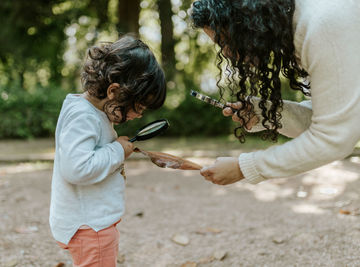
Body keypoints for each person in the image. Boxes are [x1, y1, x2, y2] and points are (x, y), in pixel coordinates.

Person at [190, 0, 360, 185]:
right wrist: (265, 114)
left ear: (247, 21)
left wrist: (243, 167)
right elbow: (335, 117)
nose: (227, 53)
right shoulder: (302, 29)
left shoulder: (321, 26)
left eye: (225, 41)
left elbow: (334, 137)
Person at [50, 35, 166, 266]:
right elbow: (77, 168)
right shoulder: (84, 116)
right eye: (138, 107)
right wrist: (117, 151)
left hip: (91, 223)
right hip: (90, 226)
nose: (139, 115)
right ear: (114, 91)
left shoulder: (92, 113)